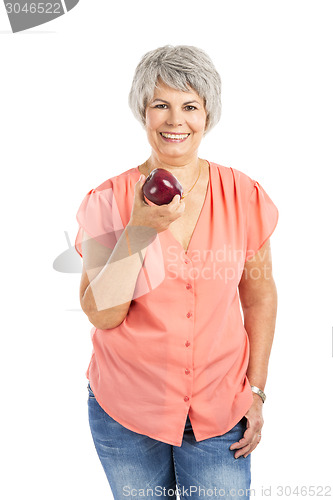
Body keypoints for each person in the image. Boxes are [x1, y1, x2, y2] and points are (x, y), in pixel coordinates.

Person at [74, 45, 278, 499]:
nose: (174, 120)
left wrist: (257, 391)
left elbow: (259, 296)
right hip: (126, 411)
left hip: (221, 408)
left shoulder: (242, 195)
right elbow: (101, 313)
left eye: (190, 106)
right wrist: (140, 231)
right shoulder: (107, 201)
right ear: (142, 112)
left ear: (208, 114)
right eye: (160, 105)